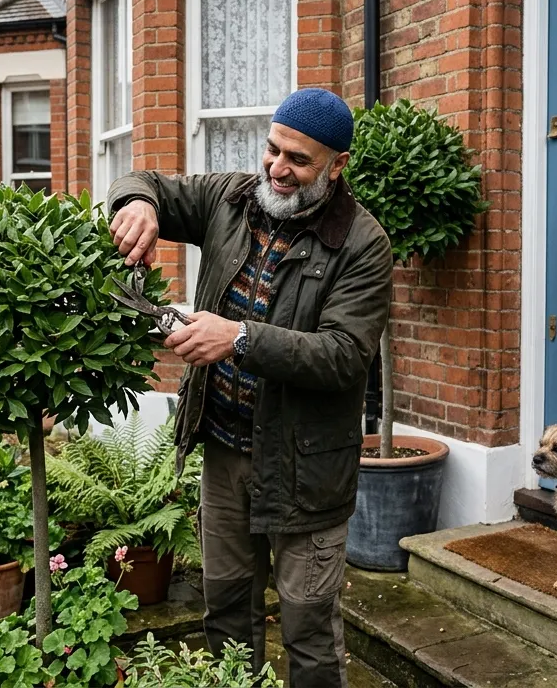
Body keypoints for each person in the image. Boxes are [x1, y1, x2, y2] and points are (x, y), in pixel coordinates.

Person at [108, 88, 393, 688]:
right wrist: (137, 204)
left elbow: (345, 356)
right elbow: (147, 181)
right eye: (272, 149)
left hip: (307, 471)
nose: (277, 168)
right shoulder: (231, 198)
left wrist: (238, 338)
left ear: (336, 165)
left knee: (309, 634)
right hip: (224, 454)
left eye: (298, 159)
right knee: (227, 613)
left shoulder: (363, 243)